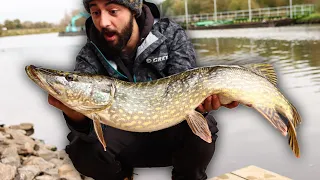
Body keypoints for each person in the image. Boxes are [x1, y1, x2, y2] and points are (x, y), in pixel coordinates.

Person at [48, 0, 239, 180]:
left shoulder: (170, 35)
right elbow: (89, 130)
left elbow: (189, 88)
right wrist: (76, 117)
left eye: (113, 11)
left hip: (170, 135)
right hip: (124, 143)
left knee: (202, 133)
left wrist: (204, 103)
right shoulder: (89, 55)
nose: (103, 22)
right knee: (83, 149)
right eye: (95, 12)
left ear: (134, 9)